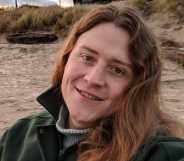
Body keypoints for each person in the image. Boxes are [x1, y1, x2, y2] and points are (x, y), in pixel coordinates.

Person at [0, 4, 184, 161]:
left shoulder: (161, 153)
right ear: (66, 58)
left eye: (117, 70)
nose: (93, 79)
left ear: (138, 85)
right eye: (87, 57)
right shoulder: (18, 136)